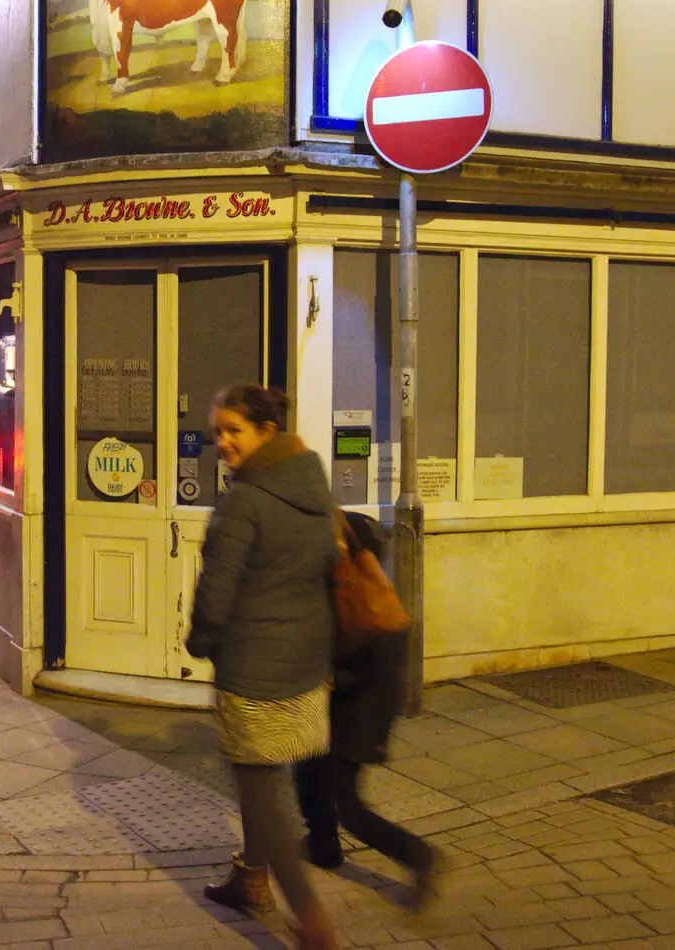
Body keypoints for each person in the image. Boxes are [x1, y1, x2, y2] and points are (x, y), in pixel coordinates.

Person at [186, 384, 339, 950]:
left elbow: (216, 589)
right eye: (218, 430)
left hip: (252, 664)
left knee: (257, 788)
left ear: (265, 432)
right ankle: (250, 881)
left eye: (234, 430)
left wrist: (201, 640)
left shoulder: (245, 499)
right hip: (303, 658)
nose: (221, 441)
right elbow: (324, 569)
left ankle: (311, 919)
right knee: (270, 772)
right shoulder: (311, 484)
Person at [294, 514, 438, 908]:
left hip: (359, 710)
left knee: (348, 805)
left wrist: (327, 674)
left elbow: (356, 663)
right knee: (308, 767)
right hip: (353, 703)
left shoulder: (353, 593)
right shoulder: (362, 581)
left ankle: (417, 855)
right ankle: (322, 846)